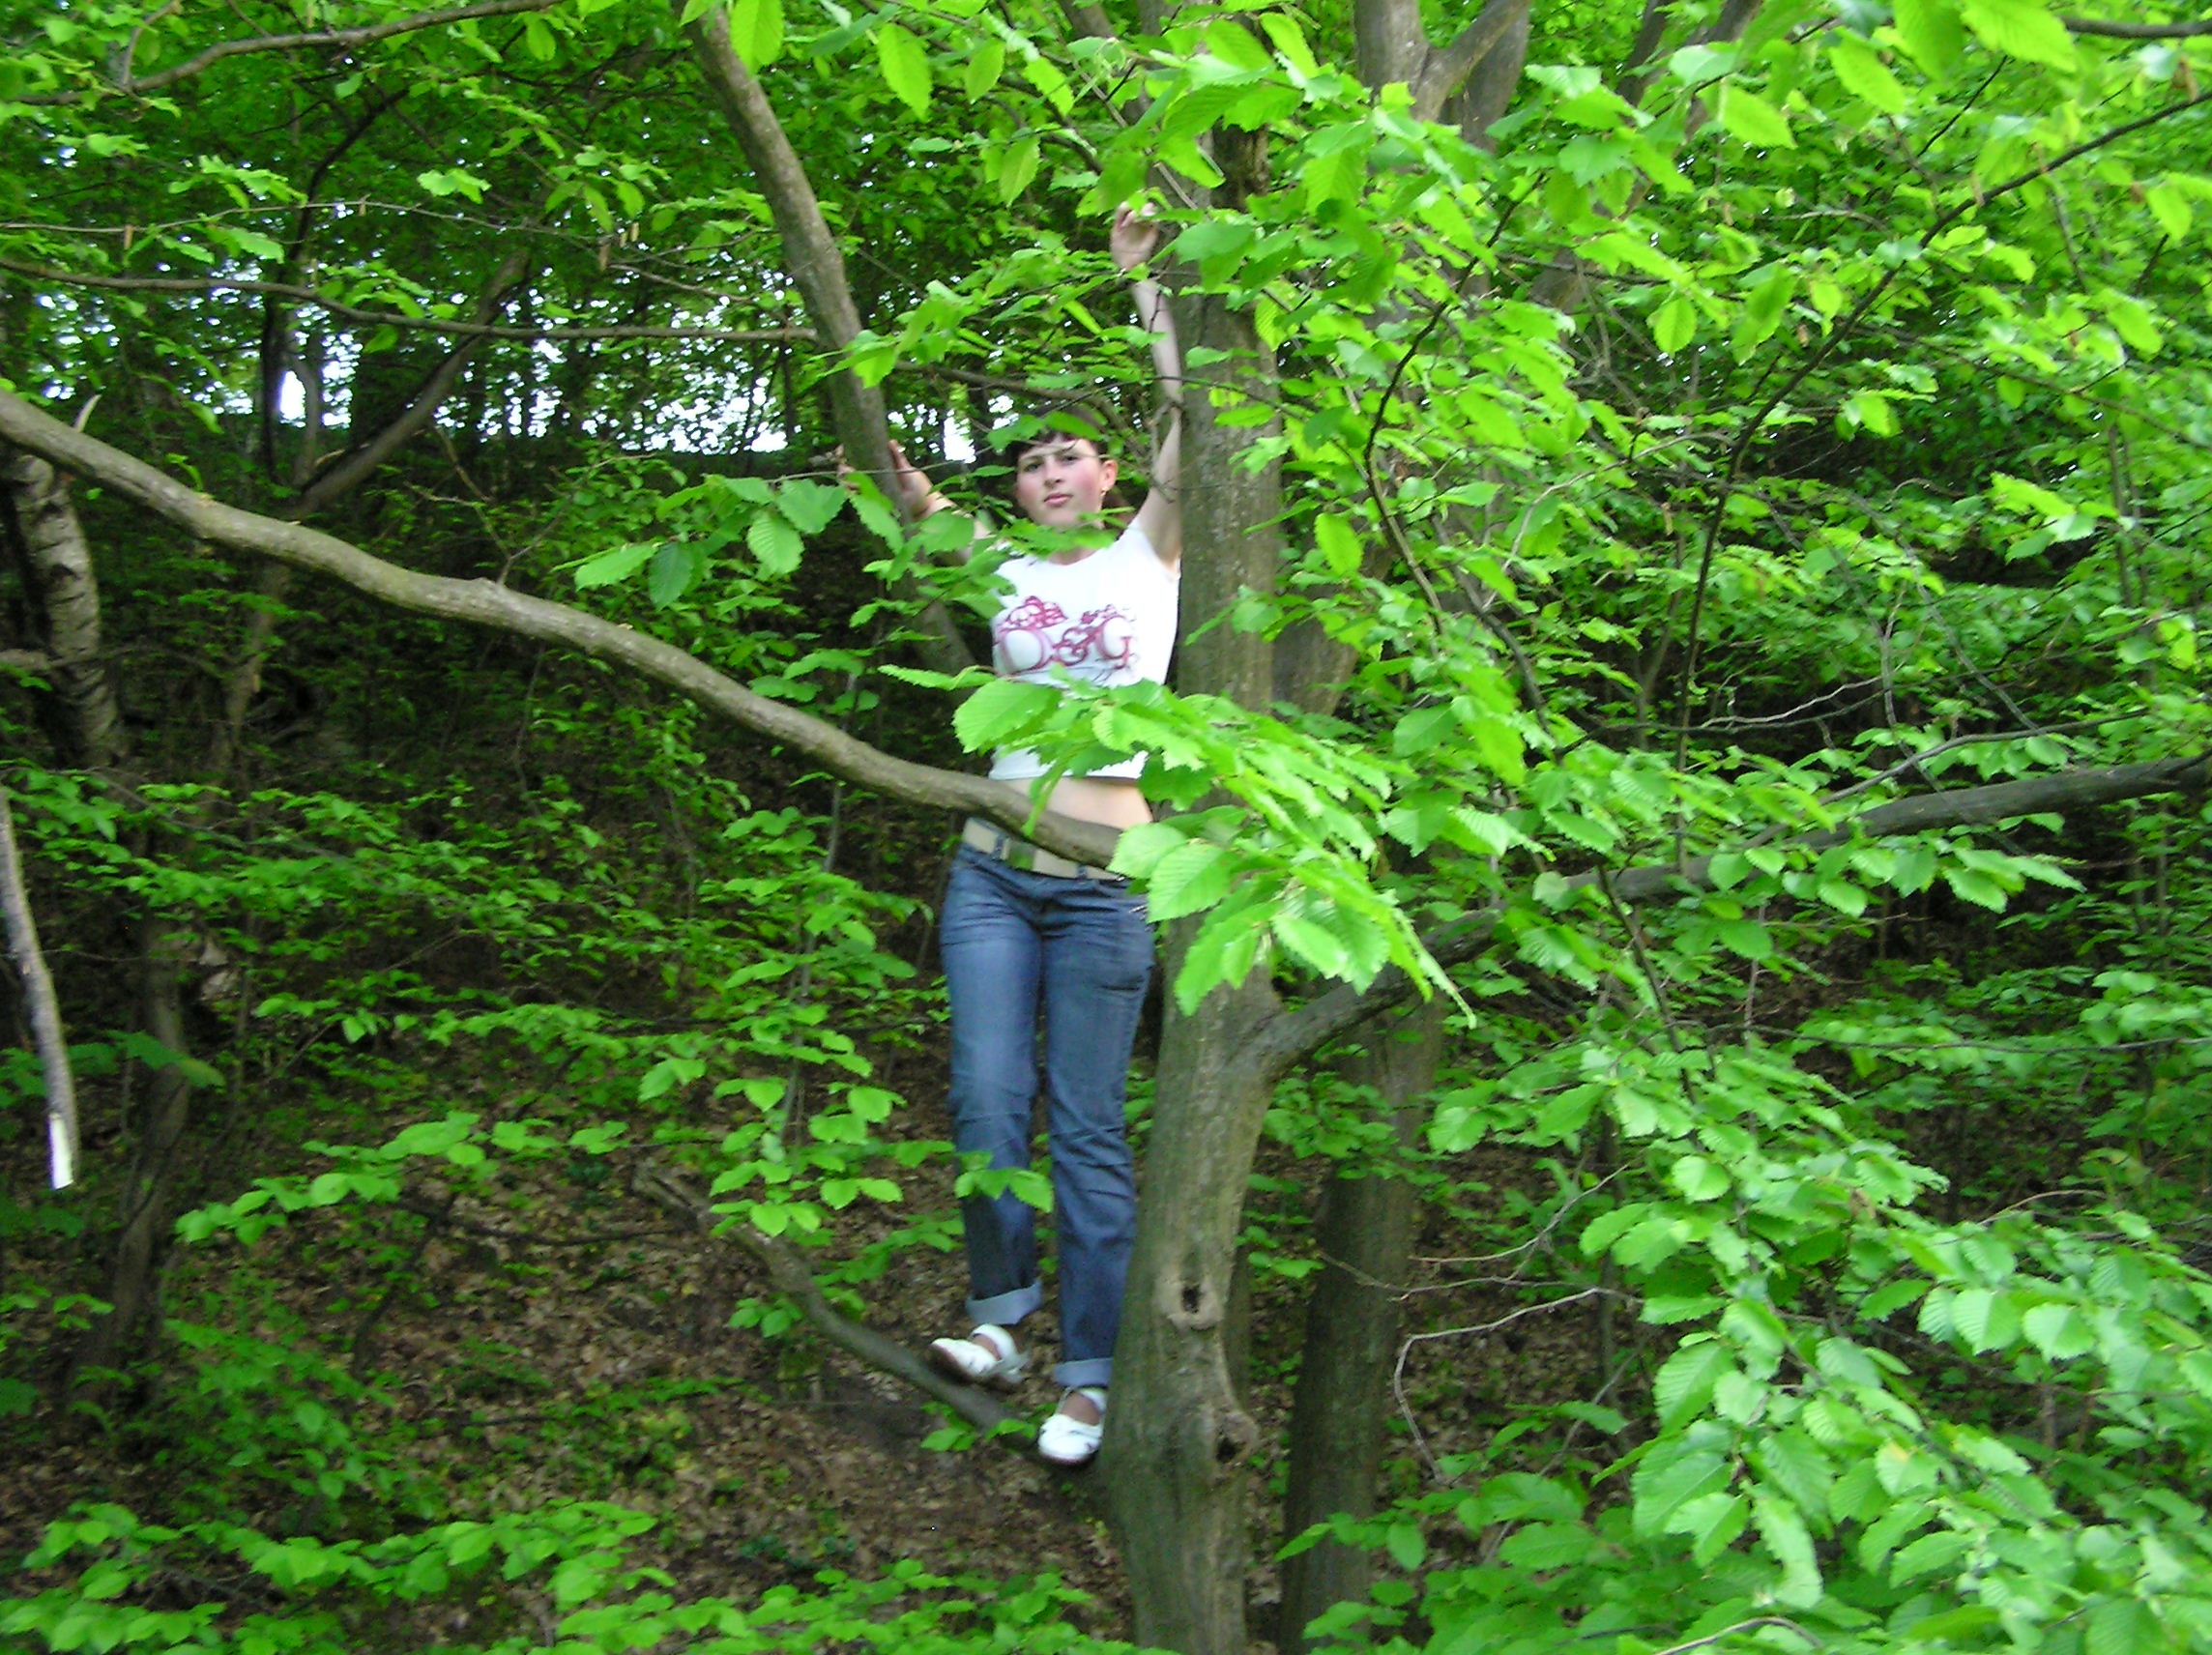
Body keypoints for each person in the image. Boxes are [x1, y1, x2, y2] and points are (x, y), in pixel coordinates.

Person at [849, 205, 1180, 1465]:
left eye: (1069, 454)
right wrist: (877, 429)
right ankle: (998, 1322)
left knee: (1085, 1128)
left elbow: (1196, 418)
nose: (1049, 472)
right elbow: (906, 490)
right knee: (986, 1098)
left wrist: (1146, 282)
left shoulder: (1147, 558)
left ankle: (1088, 1380)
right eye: (1031, 460)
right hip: (992, 877)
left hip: (1104, 886)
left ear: (1107, 474)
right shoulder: (1003, 570)